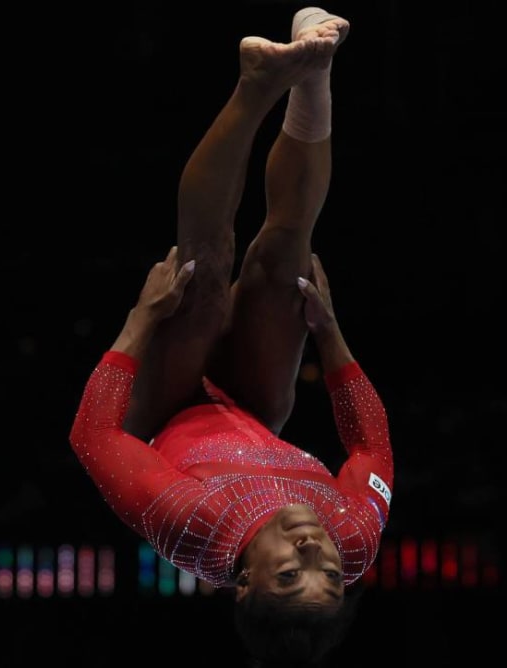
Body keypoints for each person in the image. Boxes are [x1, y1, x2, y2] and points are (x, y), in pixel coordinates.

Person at [68, 7, 393, 666]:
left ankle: (256, 83)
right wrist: (330, 336)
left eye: (288, 576)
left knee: (203, 272)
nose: (316, 557)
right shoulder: (354, 539)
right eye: (330, 577)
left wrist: (142, 317)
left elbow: (93, 435)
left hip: (167, 405)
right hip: (253, 405)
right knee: (285, 269)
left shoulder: (191, 525)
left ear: (242, 585)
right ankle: (313, 75)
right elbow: (371, 445)